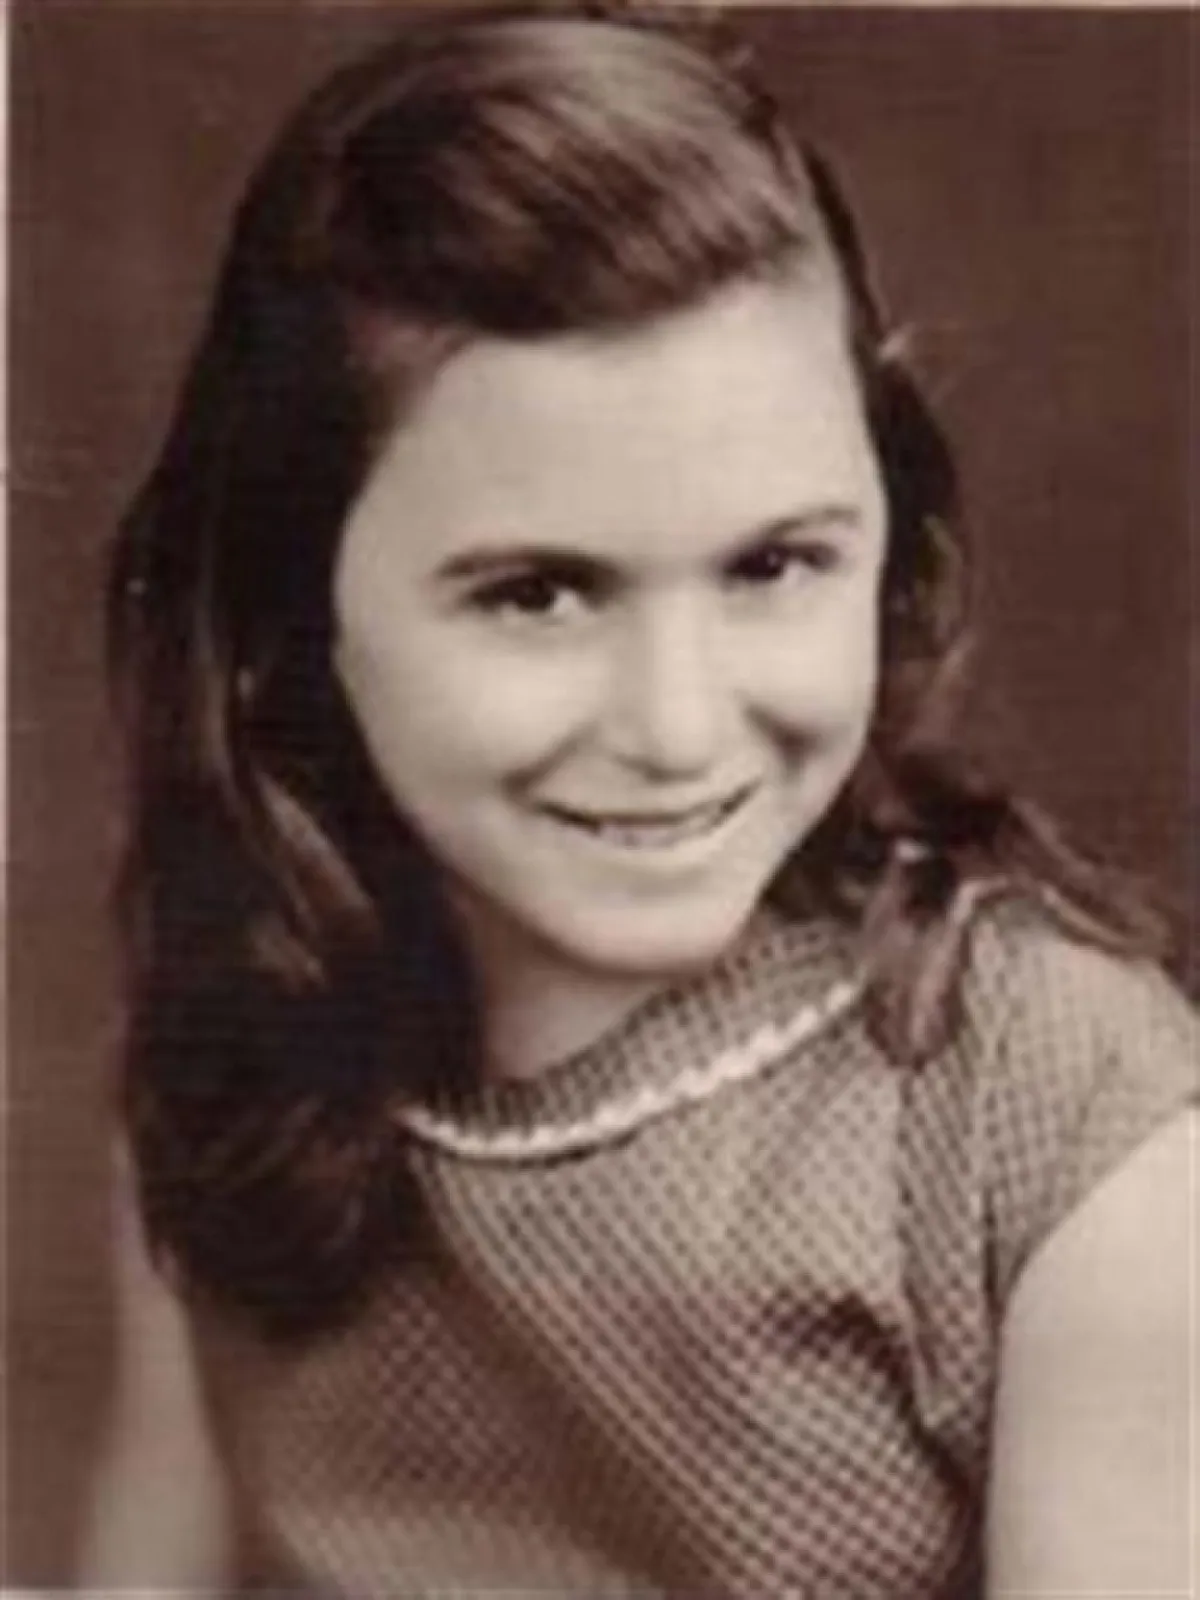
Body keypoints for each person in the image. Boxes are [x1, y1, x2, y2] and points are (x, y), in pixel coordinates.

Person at [84, 6, 1197, 1594]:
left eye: (773, 565)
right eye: (537, 594)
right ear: (286, 616)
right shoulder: (227, 1059)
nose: (678, 728)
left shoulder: (1049, 1116)